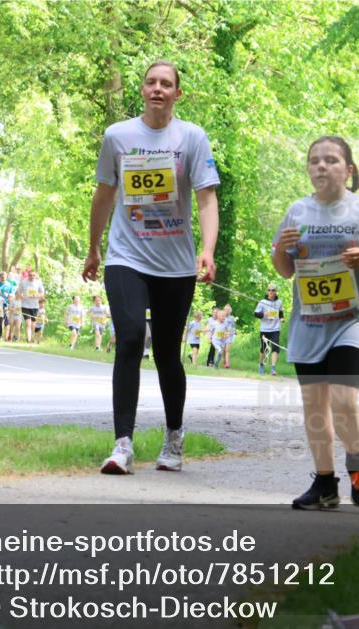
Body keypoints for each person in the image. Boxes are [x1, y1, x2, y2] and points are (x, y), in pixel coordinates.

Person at [84, 59, 220, 475]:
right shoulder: (118, 136)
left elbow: (207, 198)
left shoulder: (191, 137)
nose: (157, 89)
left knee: (166, 352)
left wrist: (208, 250)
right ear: (142, 90)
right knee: (128, 338)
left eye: (166, 84)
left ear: (178, 93)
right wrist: (93, 248)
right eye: (151, 82)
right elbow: (104, 195)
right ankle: (122, 443)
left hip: (175, 264)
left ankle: (174, 437)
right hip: (126, 256)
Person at [273, 135, 359, 509]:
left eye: (330, 160)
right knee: (315, 408)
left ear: (348, 169)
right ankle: (325, 485)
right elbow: (284, 270)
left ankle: (357, 464)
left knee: (343, 400)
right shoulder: (296, 212)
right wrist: (282, 247)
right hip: (310, 322)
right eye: (315, 160)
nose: (322, 166)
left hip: (352, 320)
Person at [256, 285, 285, 375]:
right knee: (264, 349)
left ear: (276, 291)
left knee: (275, 348)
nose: (271, 292)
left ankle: (273, 368)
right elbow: (256, 313)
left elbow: (280, 312)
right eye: (269, 290)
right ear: (267, 292)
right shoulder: (262, 302)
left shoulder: (279, 302)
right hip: (264, 329)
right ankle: (261, 365)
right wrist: (264, 314)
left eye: (273, 290)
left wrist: (282, 318)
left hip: (275, 328)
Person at [18, 269, 45, 343]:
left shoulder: (38, 282)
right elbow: (19, 292)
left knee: (33, 324)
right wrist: (22, 296)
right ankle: (28, 339)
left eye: (33, 275)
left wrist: (37, 295)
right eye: (30, 275)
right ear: (28, 275)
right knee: (28, 323)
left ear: (35, 276)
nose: (32, 276)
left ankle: (32, 337)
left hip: (35, 306)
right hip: (25, 305)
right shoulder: (23, 282)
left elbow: (42, 293)